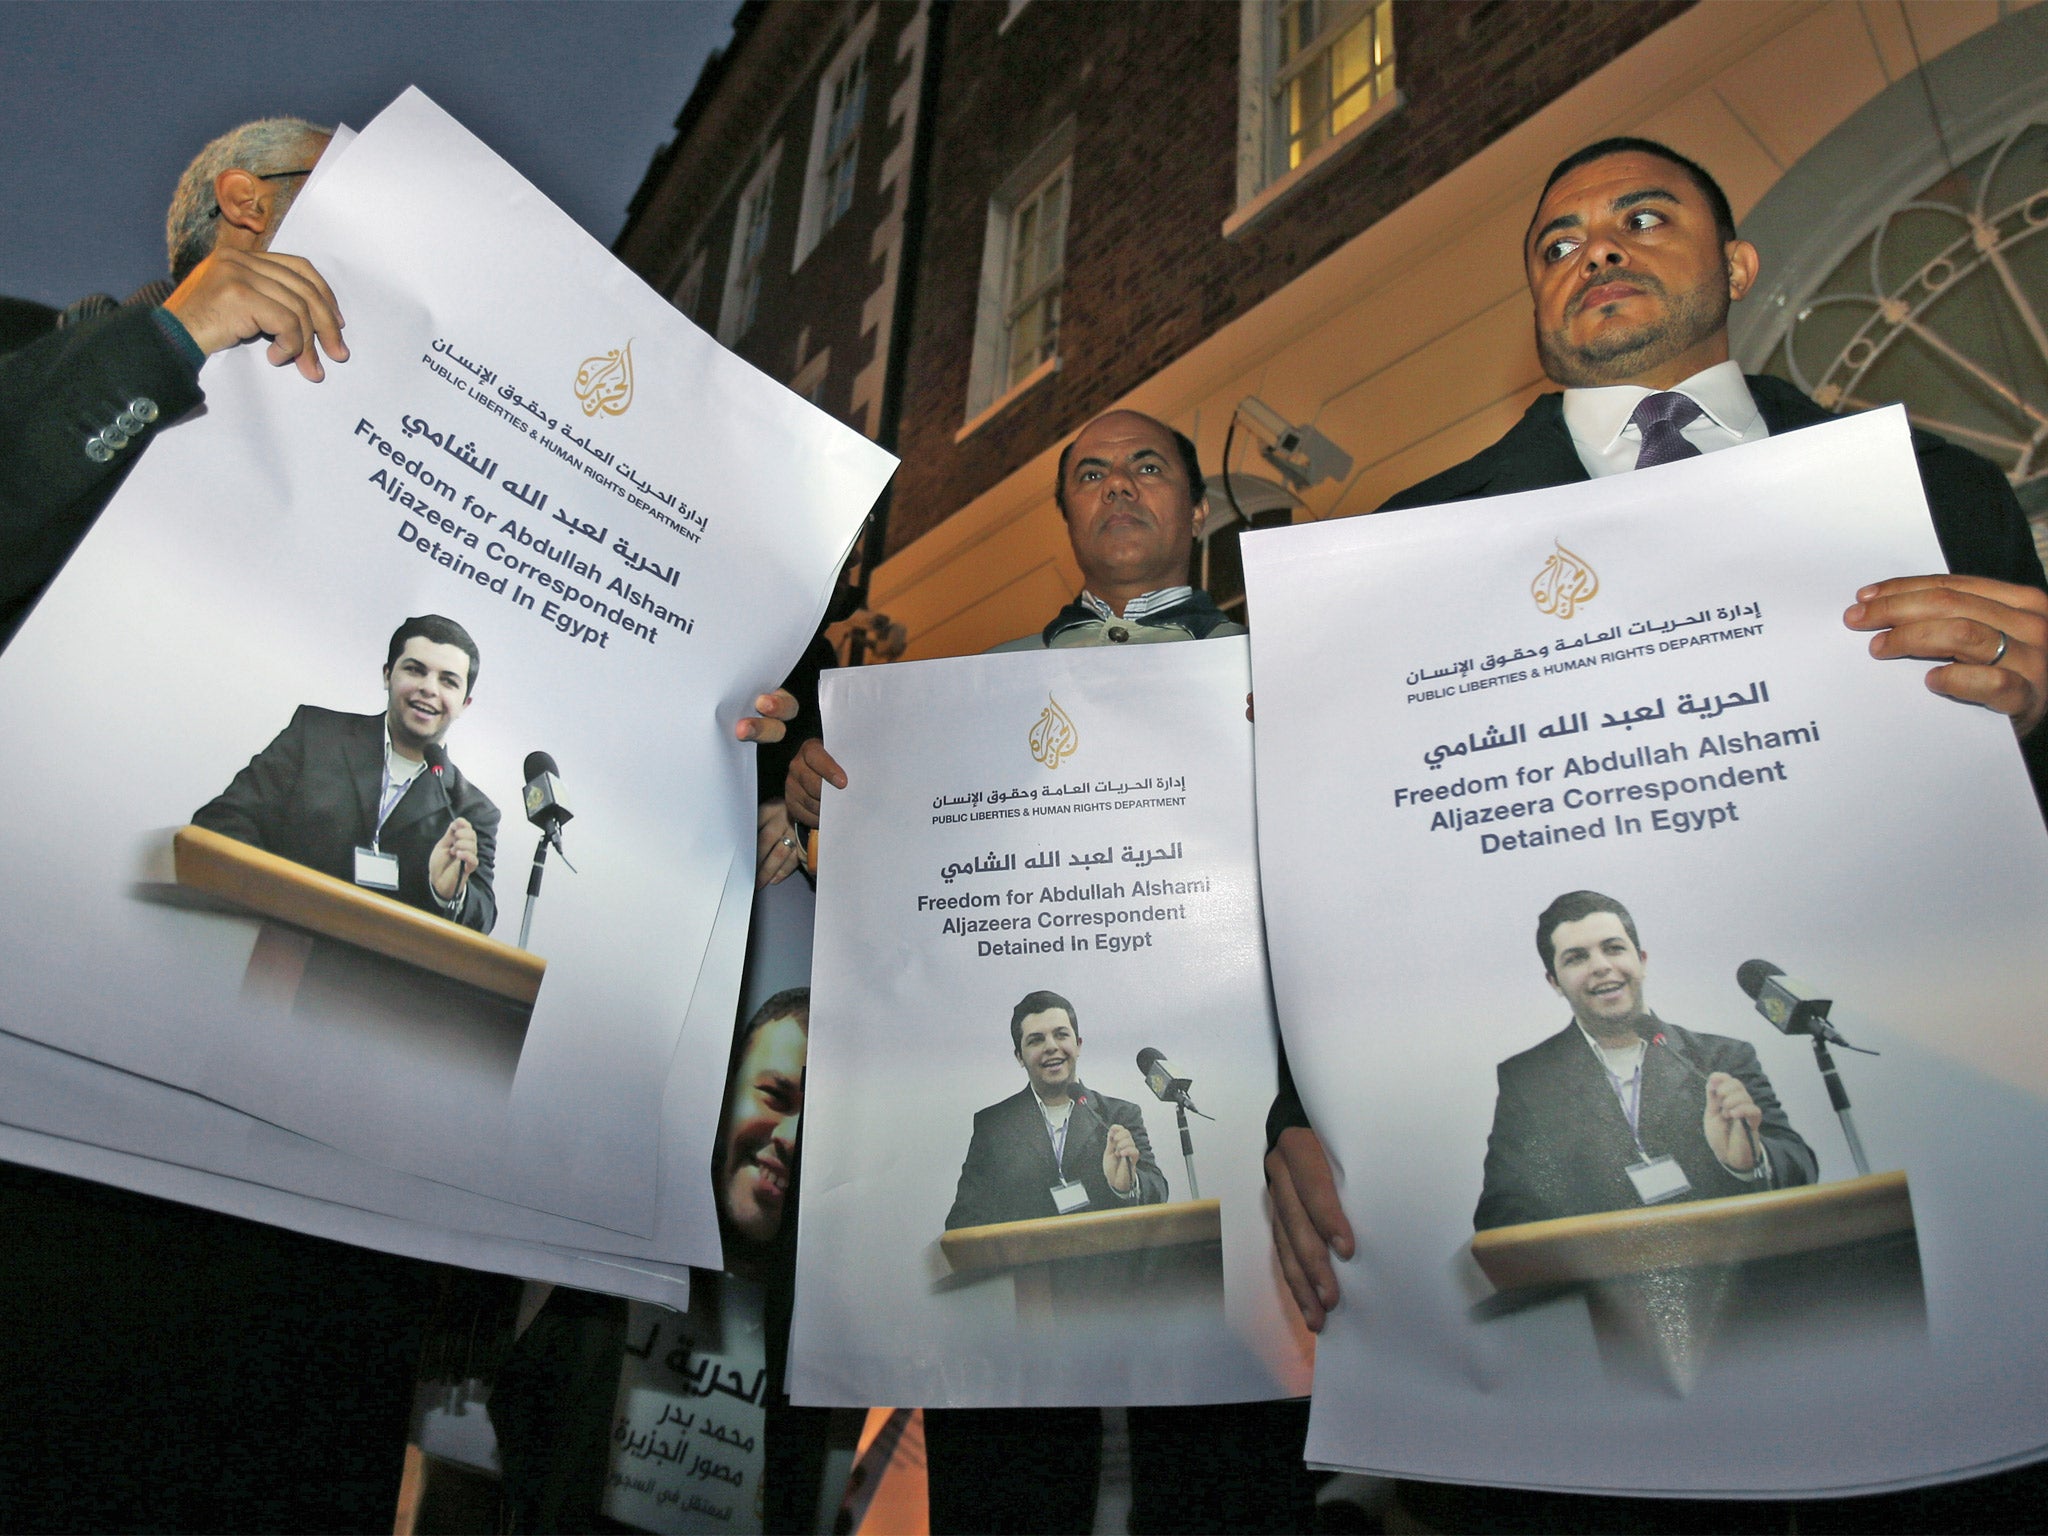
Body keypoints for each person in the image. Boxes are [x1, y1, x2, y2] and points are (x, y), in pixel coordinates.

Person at [1263, 134, 2048, 1533]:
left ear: (1737, 265)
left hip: (1939, 1265)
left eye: (1641, 217)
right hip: (1581, 1395)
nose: (1597, 250)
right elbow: (1341, 869)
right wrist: (1294, 1107)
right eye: (1557, 244)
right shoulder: (1405, 548)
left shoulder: (1937, 493)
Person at [786, 411, 1314, 1536]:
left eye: (1145, 467)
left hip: (1234, 1139)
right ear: (1063, 514)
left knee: (1224, 1477)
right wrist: (827, 802)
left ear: (1197, 505)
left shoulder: (1284, 680)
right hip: (1014, 1221)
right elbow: (908, 933)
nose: (1116, 486)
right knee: (1008, 1483)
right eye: (1088, 472)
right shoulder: (952, 706)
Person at [0, 116, 351, 647]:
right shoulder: (13, 337)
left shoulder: (346, 480)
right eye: (359, 194)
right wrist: (171, 338)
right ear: (245, 202)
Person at [1474, 890, 1815, 1232]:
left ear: (1642, 960)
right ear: (1555, 982)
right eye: (1576, 958)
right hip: (1604, 1278)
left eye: (1614, 948)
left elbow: (1801, 1167)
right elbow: (1502, 1213)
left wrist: (1748, 1162)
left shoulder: (1722, 1058)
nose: (1601, 966)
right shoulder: (1528, 1080)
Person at [192, 614, 500, 933]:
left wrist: (450, 894)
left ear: (464, 703)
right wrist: (275, 896)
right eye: (415, 670)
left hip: (375, 974)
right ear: (387, 675)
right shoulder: (314, 734)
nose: (428, 689)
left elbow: (483, 916)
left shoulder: (471, 811)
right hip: (266, 937)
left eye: (448, 681)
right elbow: (223, 820)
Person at [945, 990, 1166, 1231]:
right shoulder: (993, 1125)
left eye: (1061, 1035)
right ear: (1019, 1056)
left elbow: (1158, 1191)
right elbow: (963, 1220)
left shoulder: (1119, 1115)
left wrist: (1127, 1186)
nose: (1051, 1047)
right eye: (1036, 1040)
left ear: (1078, 1045)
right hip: (1028, 1265)